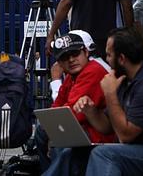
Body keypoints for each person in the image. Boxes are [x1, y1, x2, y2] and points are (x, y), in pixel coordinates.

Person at [75, 27, 143, 175]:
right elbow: (108, 126)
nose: (107, 60)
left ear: (121, 59)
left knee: (104, 154)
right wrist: (90, 111)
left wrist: (110, 94)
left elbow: (125, 136)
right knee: (73, 154)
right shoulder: (124, 77)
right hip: (137, 150)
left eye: (109, 55)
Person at [40, 32, 115, 175]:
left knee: (61, 140)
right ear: (60, 64)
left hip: (100, 134)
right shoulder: (72, 75)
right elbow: (57, 109)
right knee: (44, 129)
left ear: (86, 52)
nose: (71, 60)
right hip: (85, 129)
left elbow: (72, 115)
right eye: (65, 57)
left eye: (75, 54)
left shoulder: (92, 70)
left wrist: (55, 80)